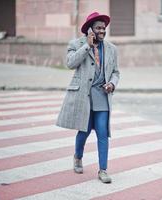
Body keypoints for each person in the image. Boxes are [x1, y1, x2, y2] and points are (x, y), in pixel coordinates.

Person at [56, 12, 120, 184]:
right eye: (98, 28)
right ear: (90, 30)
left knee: (102, 133)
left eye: (103, 28)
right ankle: (77, 157)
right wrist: (87, 47)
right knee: (83, 132)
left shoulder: (112, 49)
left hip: (102, 97)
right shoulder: (76, 44)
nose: (102, 31)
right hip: (83, 97)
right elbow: (70, 63)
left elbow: (115, 72)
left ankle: (103, 170)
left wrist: (112, 84)